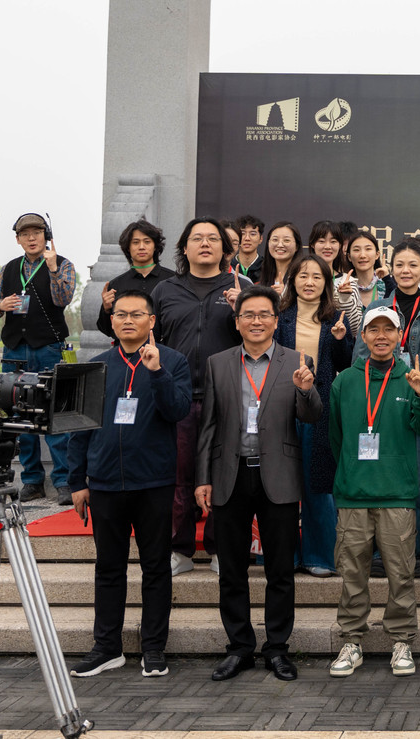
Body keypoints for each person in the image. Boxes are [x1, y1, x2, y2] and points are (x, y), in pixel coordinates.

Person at [194, 285, 322, 683]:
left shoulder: (297, 361)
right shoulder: (218, 363)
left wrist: (306, 390)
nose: (256, 321)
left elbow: (311, 416)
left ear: (276, 321)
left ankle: (277, 648)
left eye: (264, 314)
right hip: (230, 474)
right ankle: (239, 648)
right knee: (231, 570)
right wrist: (203, 478)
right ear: (237, 322)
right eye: (248, 314)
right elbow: (208, 426)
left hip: (278, 475)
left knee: (280, 569)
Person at [65, 289, 192, 679]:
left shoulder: (173, 361)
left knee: (156, 567)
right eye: (121, 314)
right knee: (108, 567)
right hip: (104, 483)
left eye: (137, 314)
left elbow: (178, 410)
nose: (128, 321)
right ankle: (107, 647)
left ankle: (153, 647)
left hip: (153, 482)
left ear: (151, 321)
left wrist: (157, 372)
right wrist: (77, 480)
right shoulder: (97, 366)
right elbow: (79, 427)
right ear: (112, 321)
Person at [325, 305, 420, 679]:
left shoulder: (410, 379)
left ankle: (402, 640)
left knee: (401, 574)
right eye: (373, 329)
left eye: (388, 329)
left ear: (398, 336)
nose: (381, 336)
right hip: (354, 495)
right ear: (363, 336)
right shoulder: (345, 382)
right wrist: (351, 470)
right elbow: (336, 437)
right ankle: (351, 640)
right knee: (352, 574)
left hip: (397, 494)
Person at [150, 218, 247, 576]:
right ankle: (180, 549)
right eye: (197, 238)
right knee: (178, 477)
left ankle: (221, 548)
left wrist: (241, 310)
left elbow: (261, 336)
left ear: (225, 248)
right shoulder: (165, 290)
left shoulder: (242, 288)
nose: (205, 244)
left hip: (228, 397)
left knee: (226, 476)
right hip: (177, 397)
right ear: (184, 248)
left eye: (213, 239)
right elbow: (152, 341)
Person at [353, 238, 420, 579]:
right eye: (399, 265)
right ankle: (380, 553)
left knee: (419, 480)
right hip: (382, 400)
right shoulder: (379, 306)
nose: (405, 271)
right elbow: (359, 357)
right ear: (390, 269)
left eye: (413, 265)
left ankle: (417, 552)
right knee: (383, 479)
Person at [0, 213, 79, 504]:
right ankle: (32, 481)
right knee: (19, 417)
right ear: (18, 240)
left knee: (54, 415)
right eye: (25, 234)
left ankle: (63, 482)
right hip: (15, 351)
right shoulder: (9, 269)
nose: (31, 238)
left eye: (37, 232)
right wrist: (1, 305)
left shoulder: (63, 264)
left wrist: (52, 269)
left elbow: (63, 299)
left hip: (49, 348)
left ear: (46, 236)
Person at [274, 252, 355, 578]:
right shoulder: (279, 316)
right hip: (282, 404)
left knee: (318, 481)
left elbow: (345, 363)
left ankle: (320, 556)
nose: (309, 282)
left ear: (326, 283)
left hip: (320, 407)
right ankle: (284, 555)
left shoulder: (335, 318)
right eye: (303, 275)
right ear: (292, 280)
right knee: (280, 482)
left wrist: (341, 340)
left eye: (317, 277)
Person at [95, 219, 177, 338]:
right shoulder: (116, 285)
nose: (141, 247)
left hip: (162, 347)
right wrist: (106, 309)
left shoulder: (174, 280)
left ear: (155, 246)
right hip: (126, 348)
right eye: (135, 242)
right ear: (128, 247)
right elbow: (107, 330)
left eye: (147, 242)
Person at [333, 230, 397, 313]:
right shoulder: (342, 287)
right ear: (349, 257)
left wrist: (387, 279)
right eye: (356, 250)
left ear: (377, 254)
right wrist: (344, 297)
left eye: (368, 249)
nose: (362, 255)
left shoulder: (387, 284)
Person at [255, 221, 302, 292]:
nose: (280, 245)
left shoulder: (302, 277)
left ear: (297, 246)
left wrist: (285, 294)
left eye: (286, 240)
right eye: (275, 240)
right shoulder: (260, 277)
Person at [232, 214, 266, 280]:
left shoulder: (268, 267)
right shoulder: (228, 266)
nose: (247, 238)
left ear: (261, 239)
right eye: (242, 233)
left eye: (252, 234)